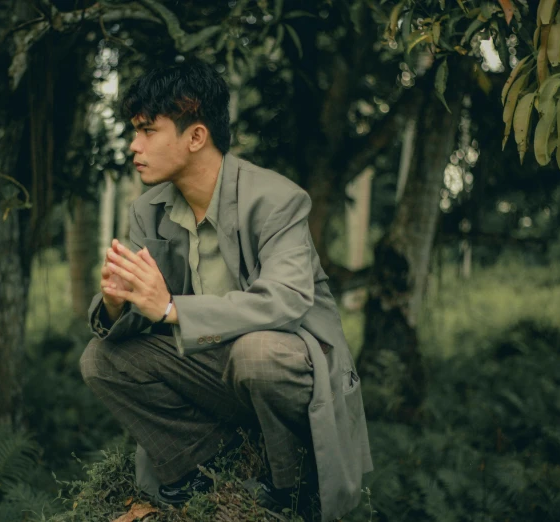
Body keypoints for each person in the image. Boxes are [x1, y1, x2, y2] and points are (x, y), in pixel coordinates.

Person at [79, 59, 372, 521]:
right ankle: (197, 467)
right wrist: (117, 304)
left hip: (287, 369)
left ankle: (291, 488)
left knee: (255, 353)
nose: (134, 146)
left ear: (196, 137)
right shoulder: (148, 211)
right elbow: (145, 310)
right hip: (211, 368)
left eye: (148, 131)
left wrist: (172, 308)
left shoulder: (277, 199)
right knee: (100, 359)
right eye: (134, 131)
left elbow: (286, 300)